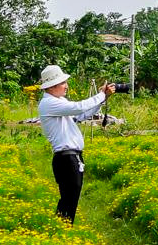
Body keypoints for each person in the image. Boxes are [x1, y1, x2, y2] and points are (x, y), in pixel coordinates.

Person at [36, 64, 114, 223]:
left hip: (71, 158)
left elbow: (81, 115)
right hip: (66, 159)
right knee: (69, 198)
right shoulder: (49, 103)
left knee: (70, 197)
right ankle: (62, 229)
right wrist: (101, 95)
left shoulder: (58, 101)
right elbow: (78, 107)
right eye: (63, 83)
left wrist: (102, 99)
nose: (66, 86)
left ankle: (61, 229)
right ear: (52, 86)